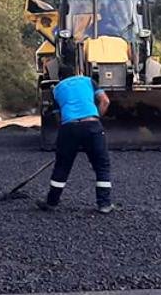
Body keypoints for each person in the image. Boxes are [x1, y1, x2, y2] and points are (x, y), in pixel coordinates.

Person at [36, 65, 115, 214]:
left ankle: (51, 202)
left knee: (62, 166)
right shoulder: (89, 81)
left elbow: (58, 116)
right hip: (92, 126)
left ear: (60, 77)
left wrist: (67, 140)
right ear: (77, 73)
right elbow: (105, 101)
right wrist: (95, 118)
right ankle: (104, 205)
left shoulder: (57, 89)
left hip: (69, 128)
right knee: (101, 165)